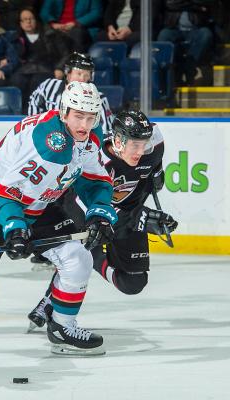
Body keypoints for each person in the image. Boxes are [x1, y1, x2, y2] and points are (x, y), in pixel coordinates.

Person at [0, 81, 117, 356]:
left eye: (90, 117)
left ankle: (63, 327)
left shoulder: (89, 136)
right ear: (63, 112)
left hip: (38, 204)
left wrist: (99, 213)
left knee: (78, 258)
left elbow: (94, 180)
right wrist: (15, 229)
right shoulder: (50, 145)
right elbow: (6, 195)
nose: (84, 124)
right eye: (78, 116)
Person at [26, 110, 179, 331]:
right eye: (134, 145)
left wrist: (156, 172)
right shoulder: (94, 157)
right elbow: (85, 204)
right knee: (85, 248)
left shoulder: (154, 145)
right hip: (87, 211)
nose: (140, 151)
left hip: (130, 212)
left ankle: (94, 257)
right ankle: (70, 277)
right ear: (118, 141)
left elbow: (153, 158)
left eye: (143, 145)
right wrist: (141, 219)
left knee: (133, 283)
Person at [28, 52, 113, 142]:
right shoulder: (49, 86)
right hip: (49, 139)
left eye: (86, 75)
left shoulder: (98, 98)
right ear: (68, 73)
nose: (82, 79)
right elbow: (34, 102)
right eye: (79, 73)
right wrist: (38, 128)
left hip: (80, 143)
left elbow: (106, 129)